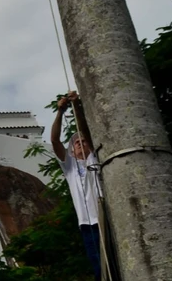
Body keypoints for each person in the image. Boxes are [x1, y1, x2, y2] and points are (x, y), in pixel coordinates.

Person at [51, 91, 103, 279]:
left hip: (104, 218)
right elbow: (55, 140)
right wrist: (60, 112)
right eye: (76, 143)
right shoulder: (70, 166)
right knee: (99, 267)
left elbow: (86, 133)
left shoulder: (94, 159)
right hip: (86, 224)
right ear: (71, 150)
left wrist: (77, 108)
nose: (80, 144)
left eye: (83, 142)